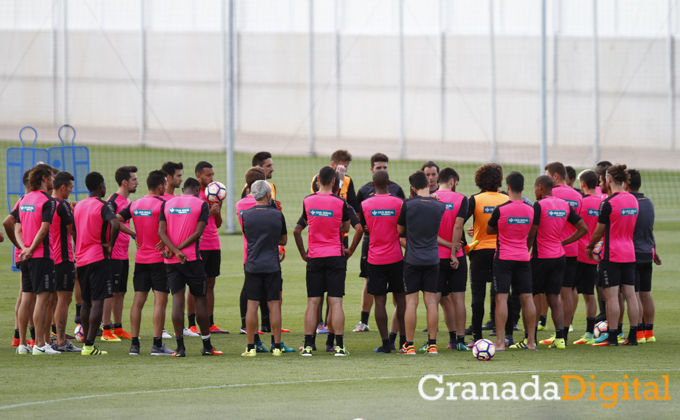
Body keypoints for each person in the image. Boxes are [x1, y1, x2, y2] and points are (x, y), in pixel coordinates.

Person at [159, 178, 223, 357]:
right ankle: (207, 346)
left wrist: (172, 251)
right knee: (200, 299)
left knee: (177, 300)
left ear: (183, 188)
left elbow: (161, 232)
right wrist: (180, 250)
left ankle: (180, 349)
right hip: (192, 259)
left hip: (172, 261)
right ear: (196, 189)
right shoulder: (201, 203)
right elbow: (198, 232)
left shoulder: (168, 203)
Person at [237, 167, 295, 353]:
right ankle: (277, 346)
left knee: (252, 305)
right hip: (272, 264)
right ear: (268, 194)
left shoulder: (246, 215)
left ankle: (251, 347)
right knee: (274, 305)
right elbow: (283, 239)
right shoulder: (277, 214)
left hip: (253, 264)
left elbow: (249, 237)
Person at [294, 166, 351, 356]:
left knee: (313, 303)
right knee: (336, 303)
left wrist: (303, 253)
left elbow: (296, 230)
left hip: (315, 257)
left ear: (318, 180)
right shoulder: (340, 202)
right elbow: (345, 227)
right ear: (334, 181)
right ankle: (340, 347)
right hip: (335, 256)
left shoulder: (308, 201)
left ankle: (308, 346)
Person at [117, 170, 174, 356]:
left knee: (138, 301)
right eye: (164, 185)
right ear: (160, 186)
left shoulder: (135, 204)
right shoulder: (164, 205)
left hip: (141, 259)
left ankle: (134, 345)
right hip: (159, 260)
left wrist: (133, 234)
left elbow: (115, 220)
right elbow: (169, 230)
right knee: (160, 302)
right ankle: (157, 345)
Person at [527, 175, 587, 349]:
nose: (534, 191)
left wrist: (525, 250)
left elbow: (532, 234)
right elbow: (583, 228)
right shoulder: (565, 205)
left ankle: (531, 337)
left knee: (534, 296)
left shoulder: (538, 205)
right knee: (554, 297)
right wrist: (563, 242)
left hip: (541, 257)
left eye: (535, 188)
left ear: (540, 187)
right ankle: (561, 337)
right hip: (560, 257)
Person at [587, 164, 640, 347]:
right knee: (631, 295)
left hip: (612, 254)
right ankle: (632, 337)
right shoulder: (633, 200)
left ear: (609, 180)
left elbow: (598, 232)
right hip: (629, 252)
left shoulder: (608, 203)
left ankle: (611, 337)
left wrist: (590, 246)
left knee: (611, 296)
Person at [353, 153, 406, 335]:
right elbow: (403, 226)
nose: (382, 169)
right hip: (396, 255)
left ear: (374, 184)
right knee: (400, 298)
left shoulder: (366, 203)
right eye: (379, 167)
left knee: (380, 300)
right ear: (388, 184)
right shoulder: (399, 202)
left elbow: (361, 225)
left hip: (375, 256)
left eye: (384, 167)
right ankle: (404, 341)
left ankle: (385, 343)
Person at [486, 171, 537, 351]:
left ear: (507, 188)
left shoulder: (500, 210)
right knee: (527, 299)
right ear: (523, 188)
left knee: (501, 299)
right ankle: (531, 342)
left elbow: (489, 230)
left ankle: (500, 342)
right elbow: (531, 234)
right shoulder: (531, 210)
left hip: (503, 258)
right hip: (523, 257)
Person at [11, 164, 58, 355]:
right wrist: (31, 249)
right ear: (45, 179)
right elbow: (44, 228)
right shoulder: (47, 200)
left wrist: (23, 248)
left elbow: (17, 229)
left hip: (26, 257)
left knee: (26, 300)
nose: (54, 180)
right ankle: (39, 344)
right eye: (52, 177)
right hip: (42, 256)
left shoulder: (24, 199)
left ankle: (22, 344)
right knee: (42, 300)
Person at [397, 171, 446, 354]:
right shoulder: (439, 206)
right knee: (431, 302)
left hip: (412, 259)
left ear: (412, 188)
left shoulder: (408, 204)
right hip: (433, 259)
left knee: (411, 303)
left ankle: (409, 345)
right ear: (428, 183)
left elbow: (400, 229)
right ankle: (432, 344)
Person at [74, 171, 120, 356]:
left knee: (85, 302)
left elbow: (75, 231)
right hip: (98, 258)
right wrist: (110, 244)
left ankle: (86, 342)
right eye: (104, 185)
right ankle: (89, 346)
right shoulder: (103, 205)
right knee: (98, 301)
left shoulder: (78, 206)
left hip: (81, 258)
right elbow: (115, 224)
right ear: (100, 186)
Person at [240, 152, 285, 333]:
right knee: (267, 297)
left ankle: (255, 331)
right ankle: (265, 332)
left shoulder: (246, 197)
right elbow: (269, 221)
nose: (272, 168)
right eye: (268, 166)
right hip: (262, 252)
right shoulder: (261, 191)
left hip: (254, 251)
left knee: (253, 294)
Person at [465, 164, 508, 343]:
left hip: (480, 252)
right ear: (499, 179)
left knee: (478, 296)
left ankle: (477, 337)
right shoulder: (506, 198)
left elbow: (458, 223)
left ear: (479, 180)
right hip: (501, 252)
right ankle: (504, 337)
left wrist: (465, 246)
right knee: (502, 296)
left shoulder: (474, 199)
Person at [543, 162, 582, 344]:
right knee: (567, 292)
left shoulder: (551, 194)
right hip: (573, 249)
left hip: (551, 250)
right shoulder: (578, 196)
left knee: (547, 293)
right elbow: (578, 223)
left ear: (555, 176)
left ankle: (537, 333)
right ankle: (564, 333)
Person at [188, 161, 228, 334]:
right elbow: (191, 223)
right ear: (199, 176)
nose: (212, 178)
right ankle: (191, 324)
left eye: (213, 174)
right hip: (199, 244)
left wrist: (217, 211)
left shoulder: (215, 195)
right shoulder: (195, 197)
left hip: (214, 244)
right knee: (194, 284)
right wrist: (208, 212)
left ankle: (210, 323)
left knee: (210, 283)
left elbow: (217, 224)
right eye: (208, 175)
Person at [434, 167, 470, 350]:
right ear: (452, 181)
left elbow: (430, 232)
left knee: (436, 300)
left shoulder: (430, 198)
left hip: (435, 257)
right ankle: (462, 340)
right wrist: (453, 253)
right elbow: (458, 226)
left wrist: (446, 247)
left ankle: (444, 340)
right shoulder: (461, 199)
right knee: (459, 299)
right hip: (457, 256)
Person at [102, 166, 138, 341]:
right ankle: (106, 330)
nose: (137, 182)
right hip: (113, 254)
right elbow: (114, 222)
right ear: (125, 182)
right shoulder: (113, 200)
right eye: (134, 179)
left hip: (123, 254)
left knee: (120, 292)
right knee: (110, 292)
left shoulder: (127, 202)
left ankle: (118, 328)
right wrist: (134, 234)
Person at [626, 169, 661, 343]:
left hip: (633, 254)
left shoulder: (630, 204)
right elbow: (649, 230)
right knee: (646, 294)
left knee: (635, 294)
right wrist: (654, 250)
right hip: (648, 253)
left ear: (625, 184)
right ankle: (650, 333)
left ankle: (638, 332)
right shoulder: (649, 203)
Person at [49, 171, 80, 352]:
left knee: (50, 299)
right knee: (64, 299)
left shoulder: (47, 203)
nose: (70, 191)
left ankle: (48, 339)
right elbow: (72, 231)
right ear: (62, 187)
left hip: (49, 257)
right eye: (70, 188)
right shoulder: (62, 205)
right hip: (64, 259)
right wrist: (74, 213)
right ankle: (61, 340)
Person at [572, 170, 605, 345]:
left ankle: (562, 330)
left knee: (569, 291)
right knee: (589, 294)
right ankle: (589, 333)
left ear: (583, 184)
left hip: (578, 252)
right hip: (594, 255)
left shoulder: (580, 202)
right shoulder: (603, 203)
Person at [5, 170, 34, 349]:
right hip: (26, 253)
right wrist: (22, 248)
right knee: (28, 296)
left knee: (24, 294)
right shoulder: (26, 201)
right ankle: (29, 336)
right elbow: (16, 227)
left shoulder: (25, 200)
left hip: (23, 252)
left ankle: (18, 336)